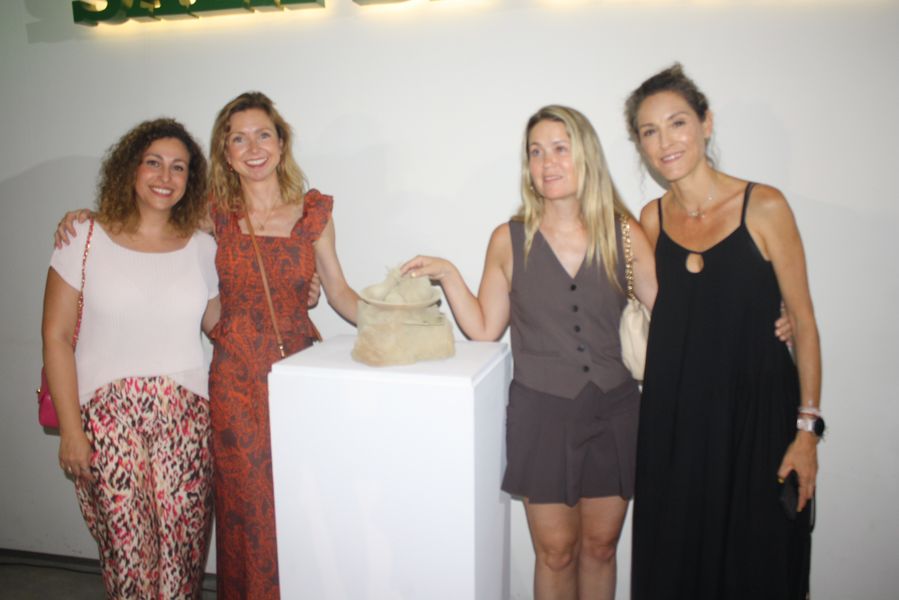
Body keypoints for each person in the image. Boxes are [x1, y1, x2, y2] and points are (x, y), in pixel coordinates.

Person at [402, 105, 656, 600]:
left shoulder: (625, 234)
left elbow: (672, 317)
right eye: (536, 152)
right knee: (555, 552)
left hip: (616, 411)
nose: (547, 162)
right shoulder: (509, 239)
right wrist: (449, 274)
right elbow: (484, 328)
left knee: (601, 548)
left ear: (586, 156)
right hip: (542, 414)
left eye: (560, 149)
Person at [624, 64, 822, 600]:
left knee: (757, 567)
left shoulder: (765, 206)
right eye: (649, 131)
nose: (665, 142)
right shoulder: (649, 221)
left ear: (706, 124)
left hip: (757, 423)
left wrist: (807, 432)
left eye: (678, 123)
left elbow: (803, 322)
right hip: (676, 426)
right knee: (677, 568)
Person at [42, 118, 219, 598]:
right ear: (130, 169)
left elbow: (222, 325)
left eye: (179, 167)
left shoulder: (203, 248)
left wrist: (295, 290)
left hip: (186, 417)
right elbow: (56, 336)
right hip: (106, 418)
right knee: (129, 558)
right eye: (153, 163)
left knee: (182, 558)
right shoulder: (83, 237)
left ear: (190, 180)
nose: (165, 176)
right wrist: (72, 432)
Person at [204, 91, 359, 599]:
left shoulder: (313, 214)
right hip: (236, 384)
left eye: (263, 135)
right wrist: (87, 220)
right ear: (226, 153)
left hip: (298, 377)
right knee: (247, 506)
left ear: (281, 143)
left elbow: (340, 294)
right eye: (239, 139)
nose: (253, 148)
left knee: (303, 499)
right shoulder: (212, 216)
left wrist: (399, 321)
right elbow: (154, 237)